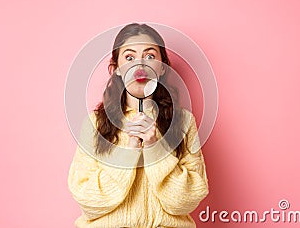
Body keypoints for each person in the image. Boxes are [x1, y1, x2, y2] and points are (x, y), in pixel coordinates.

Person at [68, 23, 209, 228]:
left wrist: (155, 147)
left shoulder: (184, 122)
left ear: (162, 67)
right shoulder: (95, 124)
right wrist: (130, 151)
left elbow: (187, 201)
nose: (140, 65)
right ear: (116, 69)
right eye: (129, 57)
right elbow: (88, 201)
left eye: (150, 56)